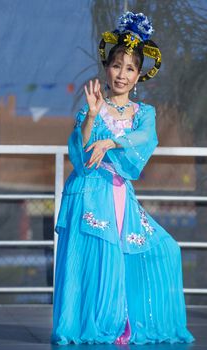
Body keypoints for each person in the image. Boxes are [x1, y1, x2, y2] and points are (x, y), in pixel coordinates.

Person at [51, 11, 195, 345]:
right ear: (107, 67)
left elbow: (145, 141)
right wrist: (90, 116)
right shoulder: (94, 105)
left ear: (139, 74)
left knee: (167, 250)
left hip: (118, 195)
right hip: (89, 191)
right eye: (117, 65)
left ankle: (128, 321)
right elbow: (80, 152)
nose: (122, 74)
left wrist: (112, 140)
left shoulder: (143, 113)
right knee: (96, 263)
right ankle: (98, 325)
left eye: (130, 68)